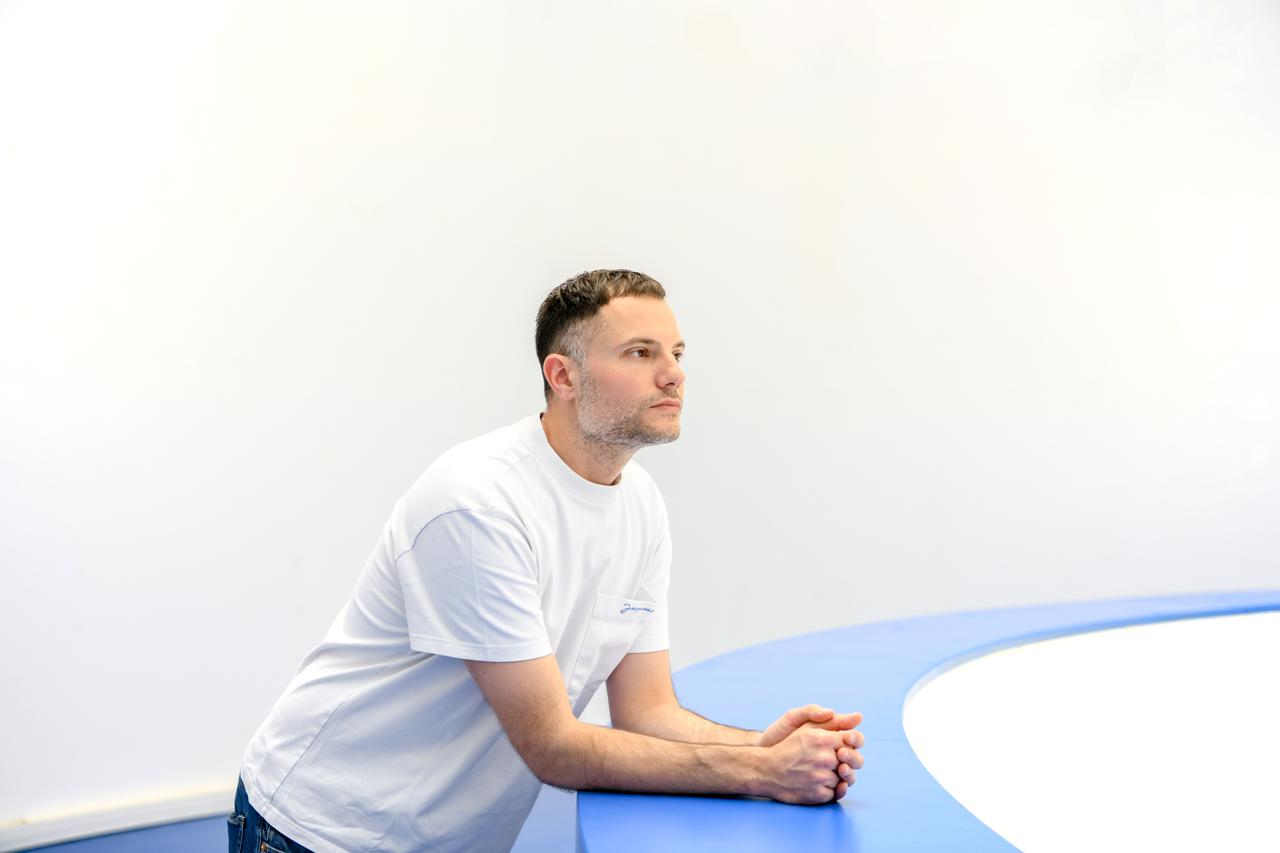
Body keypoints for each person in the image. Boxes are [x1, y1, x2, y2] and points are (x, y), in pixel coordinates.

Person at [229, 270, 866, 853]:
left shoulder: (639, 501)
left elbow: (647, 712)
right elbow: (554, 748)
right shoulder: (478, 503)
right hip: (320, 833)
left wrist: (764, 744)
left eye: (677, 353)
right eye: (640, 353)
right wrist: (761, 773)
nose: (673, 374)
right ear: (562, 376)